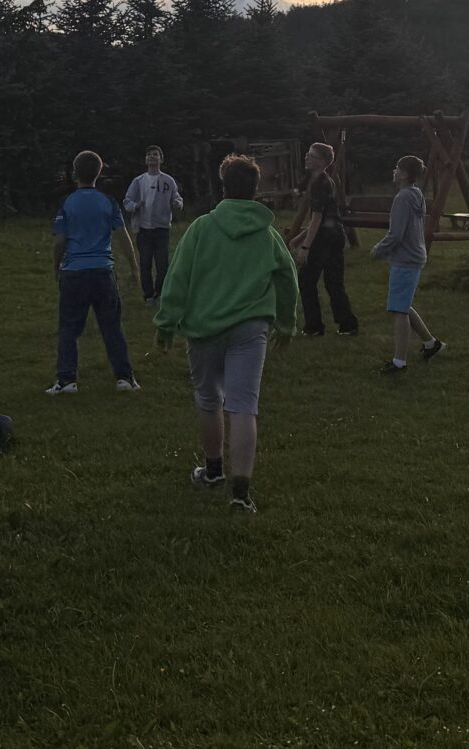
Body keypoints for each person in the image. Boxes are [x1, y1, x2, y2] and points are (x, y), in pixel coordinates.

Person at [158, 153, 300, 514]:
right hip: (251, 328)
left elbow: (177, 277)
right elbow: (288, 278)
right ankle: (241, 493)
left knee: (209, 400)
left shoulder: (202, 228)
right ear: (255, 190)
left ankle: (213, 472)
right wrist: (286, 322)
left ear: (224, 187)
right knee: (243, 406)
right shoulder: (267, 234)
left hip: (204, 327)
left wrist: (166, 322)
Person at [50, 150, 139, 393]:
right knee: (112, 326)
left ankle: (66, 380)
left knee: (69, 327)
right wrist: (134, 266)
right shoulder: (108, 202)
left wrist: (56, 265)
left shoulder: (67, 203)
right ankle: (125, 378)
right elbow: (123, 236)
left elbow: (59, 241)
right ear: (99, 173)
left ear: (74, 173)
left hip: (74, 272)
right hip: (102, 271)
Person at [372, 152, 444, 373]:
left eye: (397, 168)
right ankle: (431, 344)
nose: (394, 171)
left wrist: (378, 250)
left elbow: (396, 234)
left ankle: (399, 362)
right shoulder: (416, 193)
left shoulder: (402, 198)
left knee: (399, 310)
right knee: (402, 304)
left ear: (403, 174)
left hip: (406, 259)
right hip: (415, 255)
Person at [291, 140, 358, 338]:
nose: (306, 157)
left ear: (321, 161)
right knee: (333, 283)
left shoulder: (320, 184)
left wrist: (305, 247)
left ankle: (314, 326)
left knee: (307, 280)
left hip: (326, 238)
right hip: (334, 235)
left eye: (311, 156)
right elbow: (320, 219)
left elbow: (318, 218)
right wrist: (298, 239)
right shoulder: (323, 180)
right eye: (307, 154)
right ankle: (347, 325)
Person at [121, 145, 184, 305]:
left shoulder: (168, 181)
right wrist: (135, 206)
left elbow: (177, 198)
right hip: (143, 229)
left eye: (155, 154)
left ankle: (160, 293)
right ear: (145, 160)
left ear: (161, 159)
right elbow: (127, 201)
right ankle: (148, 295)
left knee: (162, 264)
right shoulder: (139, 181)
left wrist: (177, 203)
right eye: (149, 154)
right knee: (145, 263)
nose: (152, 157)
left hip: (162, 228)